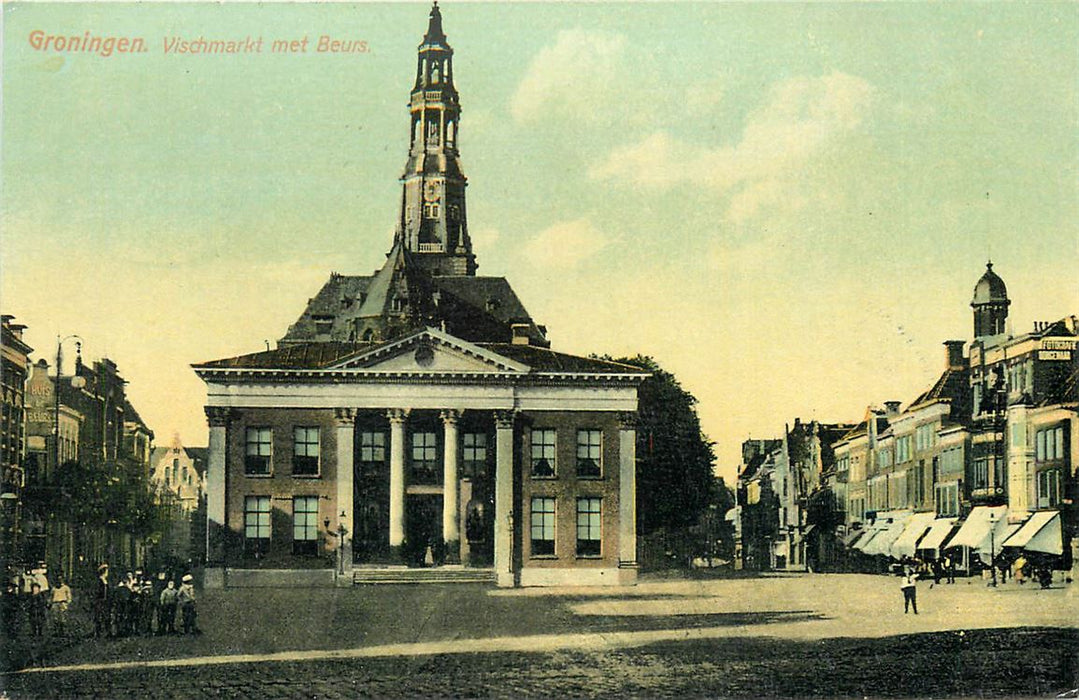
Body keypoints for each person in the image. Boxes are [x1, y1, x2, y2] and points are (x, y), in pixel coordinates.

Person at [93, 563, 111, 638]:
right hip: (100, 601)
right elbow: (97, 592)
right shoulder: (99, 581)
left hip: (105, 601)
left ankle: (107, 632)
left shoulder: (105, 581)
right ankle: (98, 633)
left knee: (106, 616)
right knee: (99, 617)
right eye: (106, 571)